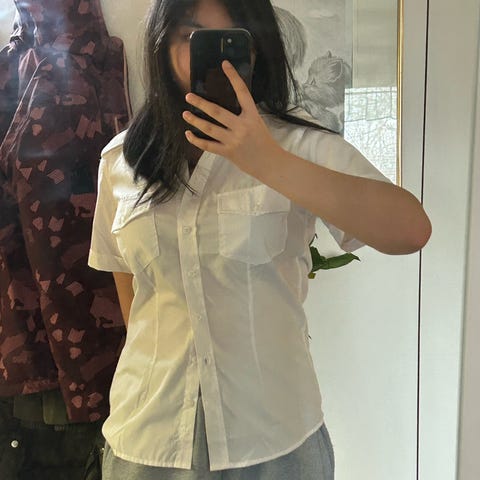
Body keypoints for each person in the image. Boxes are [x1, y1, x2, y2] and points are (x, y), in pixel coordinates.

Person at [88, 0, 432, 478]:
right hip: (148, 439)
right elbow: (131, 292)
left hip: (275, 436)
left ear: (258, 49)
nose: (214, 57)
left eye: (234, 40)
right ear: (161, 45)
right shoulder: (121, 162)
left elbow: (410, 230)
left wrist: (263, 159)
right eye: (190, 35)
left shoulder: (299, 146)